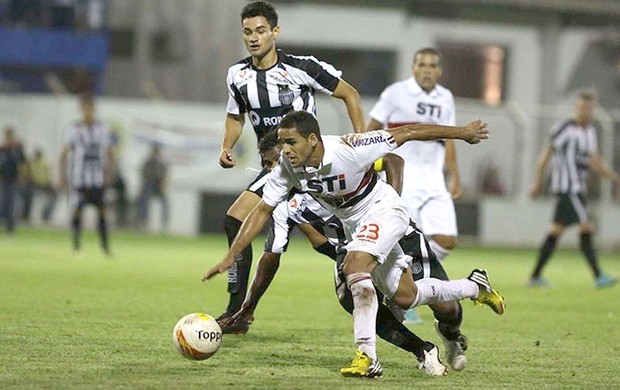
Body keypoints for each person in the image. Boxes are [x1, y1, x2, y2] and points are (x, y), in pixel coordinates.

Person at [204, 110, 505, 378]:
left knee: (355, 265)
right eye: (281, 143)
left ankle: (367, 357)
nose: (285, 150)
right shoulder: (286, 167)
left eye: (291, 142)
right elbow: (262, 211)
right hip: (356, 227)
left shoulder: (351, 148)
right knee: (405, 297)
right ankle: (475, 287)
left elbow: (409, 132)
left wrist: (463, 132)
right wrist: (232, 254)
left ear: (312, 139)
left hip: (386, 211)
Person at [216, 1, 365, 329]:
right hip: (275, 171)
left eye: (260, 31)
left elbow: (350, 95)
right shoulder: (237, 76)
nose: (253, 38)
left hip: (309, 170)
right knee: (239, 223)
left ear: (275, 32)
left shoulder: (302, 68)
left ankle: (364, 264)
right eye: (247, 32)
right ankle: (237, 311)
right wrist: (228, 144)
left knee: (317, 239)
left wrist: (361, 142)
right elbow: (234, 115)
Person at [367, 47, 461, 325]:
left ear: (439, 71)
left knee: (447, 239)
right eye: (421, 64)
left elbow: (450, 139)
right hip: (404, 178)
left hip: (434, 179)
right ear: (413, 67)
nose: (427, 70)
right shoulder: (395, 93)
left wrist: (454, 175)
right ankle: (405, 298)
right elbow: (370, 128)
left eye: (432, 65)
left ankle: (405, 286)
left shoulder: (446, 98)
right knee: (404, 239)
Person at [528, 91, 619, 289]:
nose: (585, 111)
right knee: (586, 226)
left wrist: (613, 178)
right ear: (576, 107)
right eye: (582, 107)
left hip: (578, 188)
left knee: (556, 231)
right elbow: (546, 153)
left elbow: (594, 161)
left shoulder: (590, 132)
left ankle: (535, 276)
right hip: (567, 188)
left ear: (593, 108)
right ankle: (598, 276)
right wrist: (537, 181)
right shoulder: (564, 128)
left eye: (589, 107)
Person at [59, 94, 115, 256]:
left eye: (91, 108)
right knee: (77, 210)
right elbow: (63, 153)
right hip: (79, 179)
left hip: (98, 179)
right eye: (85, 109)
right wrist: (61, 175)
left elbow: (110, 152)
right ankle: (76, 247)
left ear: (94, 109)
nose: (88, 112)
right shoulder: (74, 129)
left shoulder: (103, 129)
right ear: (81, 110)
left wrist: (110, 173)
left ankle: (105, 248)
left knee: (103, 211)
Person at [135, 144, 169, 232]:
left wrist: (163, 185)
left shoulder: (162, 164)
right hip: (149, 185)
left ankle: (164, 223)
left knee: (166, 202)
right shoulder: (148, 163)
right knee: (143, 200)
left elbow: (165, 177)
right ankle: (143, 221)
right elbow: (144, 176)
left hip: (158, 186)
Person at [0, 126, 26, 234]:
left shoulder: (17, 150)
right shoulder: (2, 149)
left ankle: (10, 229)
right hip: (2, 181)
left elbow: (23, 164)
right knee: (2, 204)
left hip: (13, 181)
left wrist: (22, 177)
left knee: (11, 205)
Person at [20, 148, 57, 223]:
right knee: (27, 193)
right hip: (32, 184)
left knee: (54, 194)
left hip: (43, 184)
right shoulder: (30, 163)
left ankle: (46, 214)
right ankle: (25, 214)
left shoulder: (45, 163)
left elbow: (47, 177)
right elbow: (25, 176)